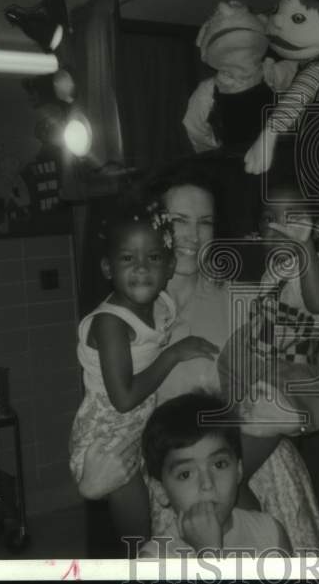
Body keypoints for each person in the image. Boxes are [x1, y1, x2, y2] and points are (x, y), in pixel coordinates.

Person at [150, 172, 319, 552]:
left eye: (205, 222)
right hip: (180, 488)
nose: (192, 236)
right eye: (178, 221)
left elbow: (302, 385)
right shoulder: (127, 320)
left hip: (264, 477)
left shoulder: (249, 300)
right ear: (155, 224)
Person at [68, 199, 220, 540]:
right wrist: (174, 355)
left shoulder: (161, 303)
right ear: (108, 268)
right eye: (127, 259)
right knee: (138, 537)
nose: (140, 268)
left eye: (152, 258)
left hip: (136, 431)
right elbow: (123, 398)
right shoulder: (111, 323)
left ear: (168, 267)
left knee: (158, 520)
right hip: (106, 441)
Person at [217, 181, 319, 438]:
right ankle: (239, 410)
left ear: (317, 229)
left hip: (292, 361)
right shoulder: (273, 272)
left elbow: (318, 303)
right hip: (263, 351)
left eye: (292, 218)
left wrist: (305, 248)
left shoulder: (317, 267)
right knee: (229, 361)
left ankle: (283, 415)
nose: (278, 227)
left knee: (283, 385)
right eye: (268, 218)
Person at [138, 394, 291, 557]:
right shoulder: (156, 559)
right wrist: (208, 552)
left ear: (238, 470)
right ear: (161, 490)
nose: (207, 483)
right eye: (185, 474)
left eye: (219, 465)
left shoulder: (270, 533)